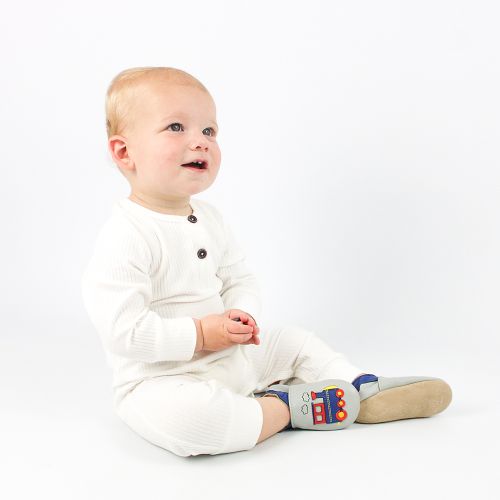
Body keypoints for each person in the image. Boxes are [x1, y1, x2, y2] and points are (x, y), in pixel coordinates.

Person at [81, 66, 452, 458]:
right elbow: (124, 331)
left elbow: (238, 277)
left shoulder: (211, 218)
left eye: (209, 131)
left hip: (232, 357)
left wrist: (241, 314)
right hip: (163, 379)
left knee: (292, 340)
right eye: (176, 127)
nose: (201, 142)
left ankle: (358, 385)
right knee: (191, 422)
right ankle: (287, 407)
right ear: (125, 152)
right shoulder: (126, 235)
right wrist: (201, 335)